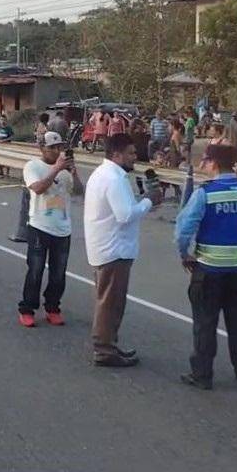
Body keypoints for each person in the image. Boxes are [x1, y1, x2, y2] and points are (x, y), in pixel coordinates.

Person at [174, 144, 237, 390]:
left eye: (204, 161)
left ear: (214, 163)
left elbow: (184, 230)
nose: (202, 166)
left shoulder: (205, 193)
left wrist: (185, 254)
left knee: (205, 323)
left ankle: (203, 375)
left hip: (209, 268)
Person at [84, 133, 163, 367]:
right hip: (113, 250)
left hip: (108, 247)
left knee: (111, 302)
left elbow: (123, 208)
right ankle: (104, 349)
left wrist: (143, 201)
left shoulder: (107, 174)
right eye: (130, 153)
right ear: (116, 155)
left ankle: (109, 343)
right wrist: (148, 200)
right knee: (110, 304)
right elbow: (125, 214)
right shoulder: (113, 178)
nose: (135, 157)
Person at [17, 131, 84, 327]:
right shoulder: (33, 166)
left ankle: (53, 307)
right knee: (36, 270)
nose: (57, 151)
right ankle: (27, 308)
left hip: (62, 228)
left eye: (59, 147)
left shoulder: (65, 170)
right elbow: (37, 188)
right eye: (52, 147)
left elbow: (80, 192)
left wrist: (74, 172)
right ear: (42, 148)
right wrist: (56, 169)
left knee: (58, 272)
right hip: (39, 226)